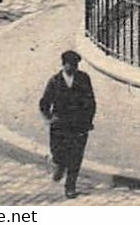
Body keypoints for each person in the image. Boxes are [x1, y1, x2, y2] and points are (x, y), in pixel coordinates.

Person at [39, 50, 96, 199]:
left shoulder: (84, 79)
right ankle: (59, 164)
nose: (73, 68)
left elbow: (90, 101)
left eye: (76, 65)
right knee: (58, 152)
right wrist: (49, 118)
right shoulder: (55, 81)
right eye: (70, 65)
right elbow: (44, 102)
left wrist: (88, 120)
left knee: (76, 156)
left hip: (79, 124)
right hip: (60, 125)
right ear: (64, 65)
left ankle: (70, 186)